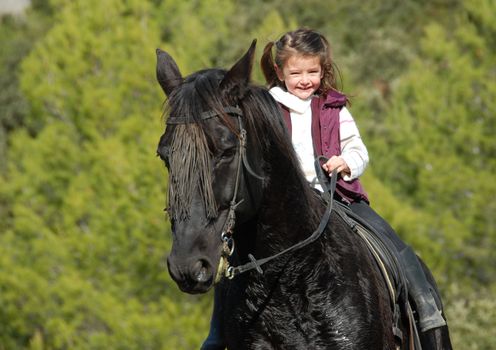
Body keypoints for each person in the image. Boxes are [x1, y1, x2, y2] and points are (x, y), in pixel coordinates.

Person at [201, 28, 445, 349]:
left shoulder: (333, 108)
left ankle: (428, 316)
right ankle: (217, 335)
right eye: (296, 72)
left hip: (339, 199)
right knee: (232, 260)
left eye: (313, 72)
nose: (305, 80)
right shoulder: (266, 109)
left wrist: (345, 163)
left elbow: (358, 151)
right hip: (280, 209)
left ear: (323, 69)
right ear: (279, 71)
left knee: (399, 250)